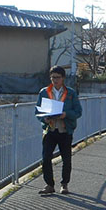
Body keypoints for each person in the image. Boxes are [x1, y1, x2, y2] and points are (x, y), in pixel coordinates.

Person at [36, 66, 83, 194]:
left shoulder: (71, 93)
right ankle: (49, 185)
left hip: (64, 129)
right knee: (46, 158)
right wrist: (44, 119)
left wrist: (66, 114)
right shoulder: (44, 92)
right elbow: (37, 111)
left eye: (57, 77)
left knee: (66, 158)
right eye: (52, 77)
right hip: (49, 129)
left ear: (63, 78)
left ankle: (64, 184)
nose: (54, 80)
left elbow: (78, 112)